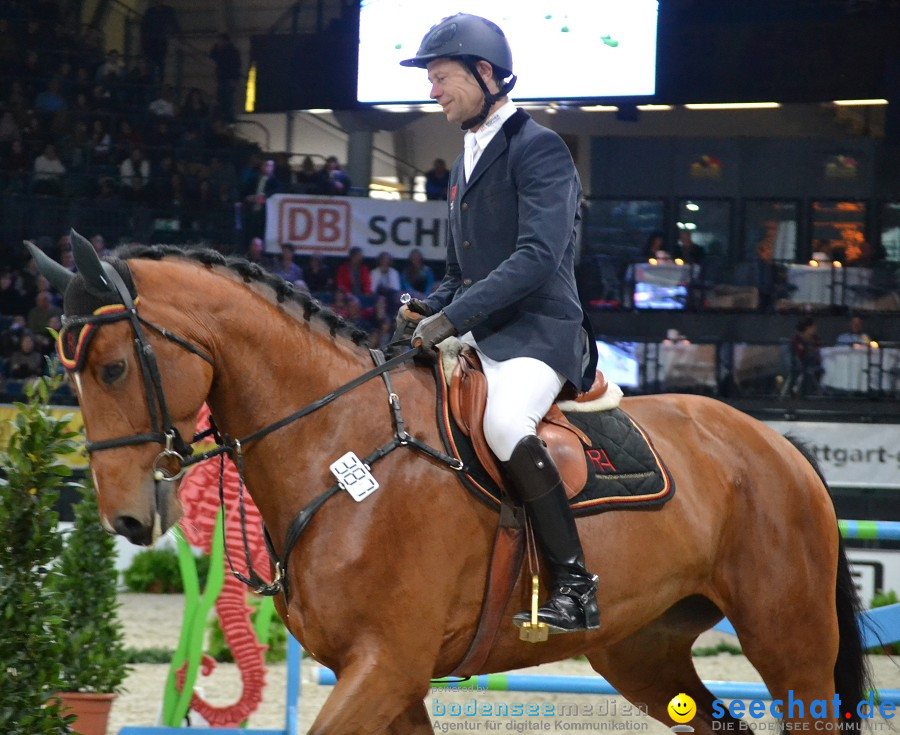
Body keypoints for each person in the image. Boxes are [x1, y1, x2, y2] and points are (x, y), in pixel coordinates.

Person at [397, 13, 598, 634]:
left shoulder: (539, 148)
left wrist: (452, 317)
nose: (433, 90)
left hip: (541, 331)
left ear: (486, 74)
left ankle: (574, 582)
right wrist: (430, 308)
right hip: (484, 331)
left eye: (442, 77)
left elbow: (537, 258)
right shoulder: (461, 165)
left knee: (504, 421)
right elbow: (462, 271)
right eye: (430, 79)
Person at [209, 33, 242, 121]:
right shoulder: (221, 51)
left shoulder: (232, 52)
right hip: (221, 79)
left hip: (228, 80)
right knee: (221, 99)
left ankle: (229, 119)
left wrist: (234, 79)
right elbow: (212, 56)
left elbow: (236, 66)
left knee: (228, 101)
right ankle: (223, 119)